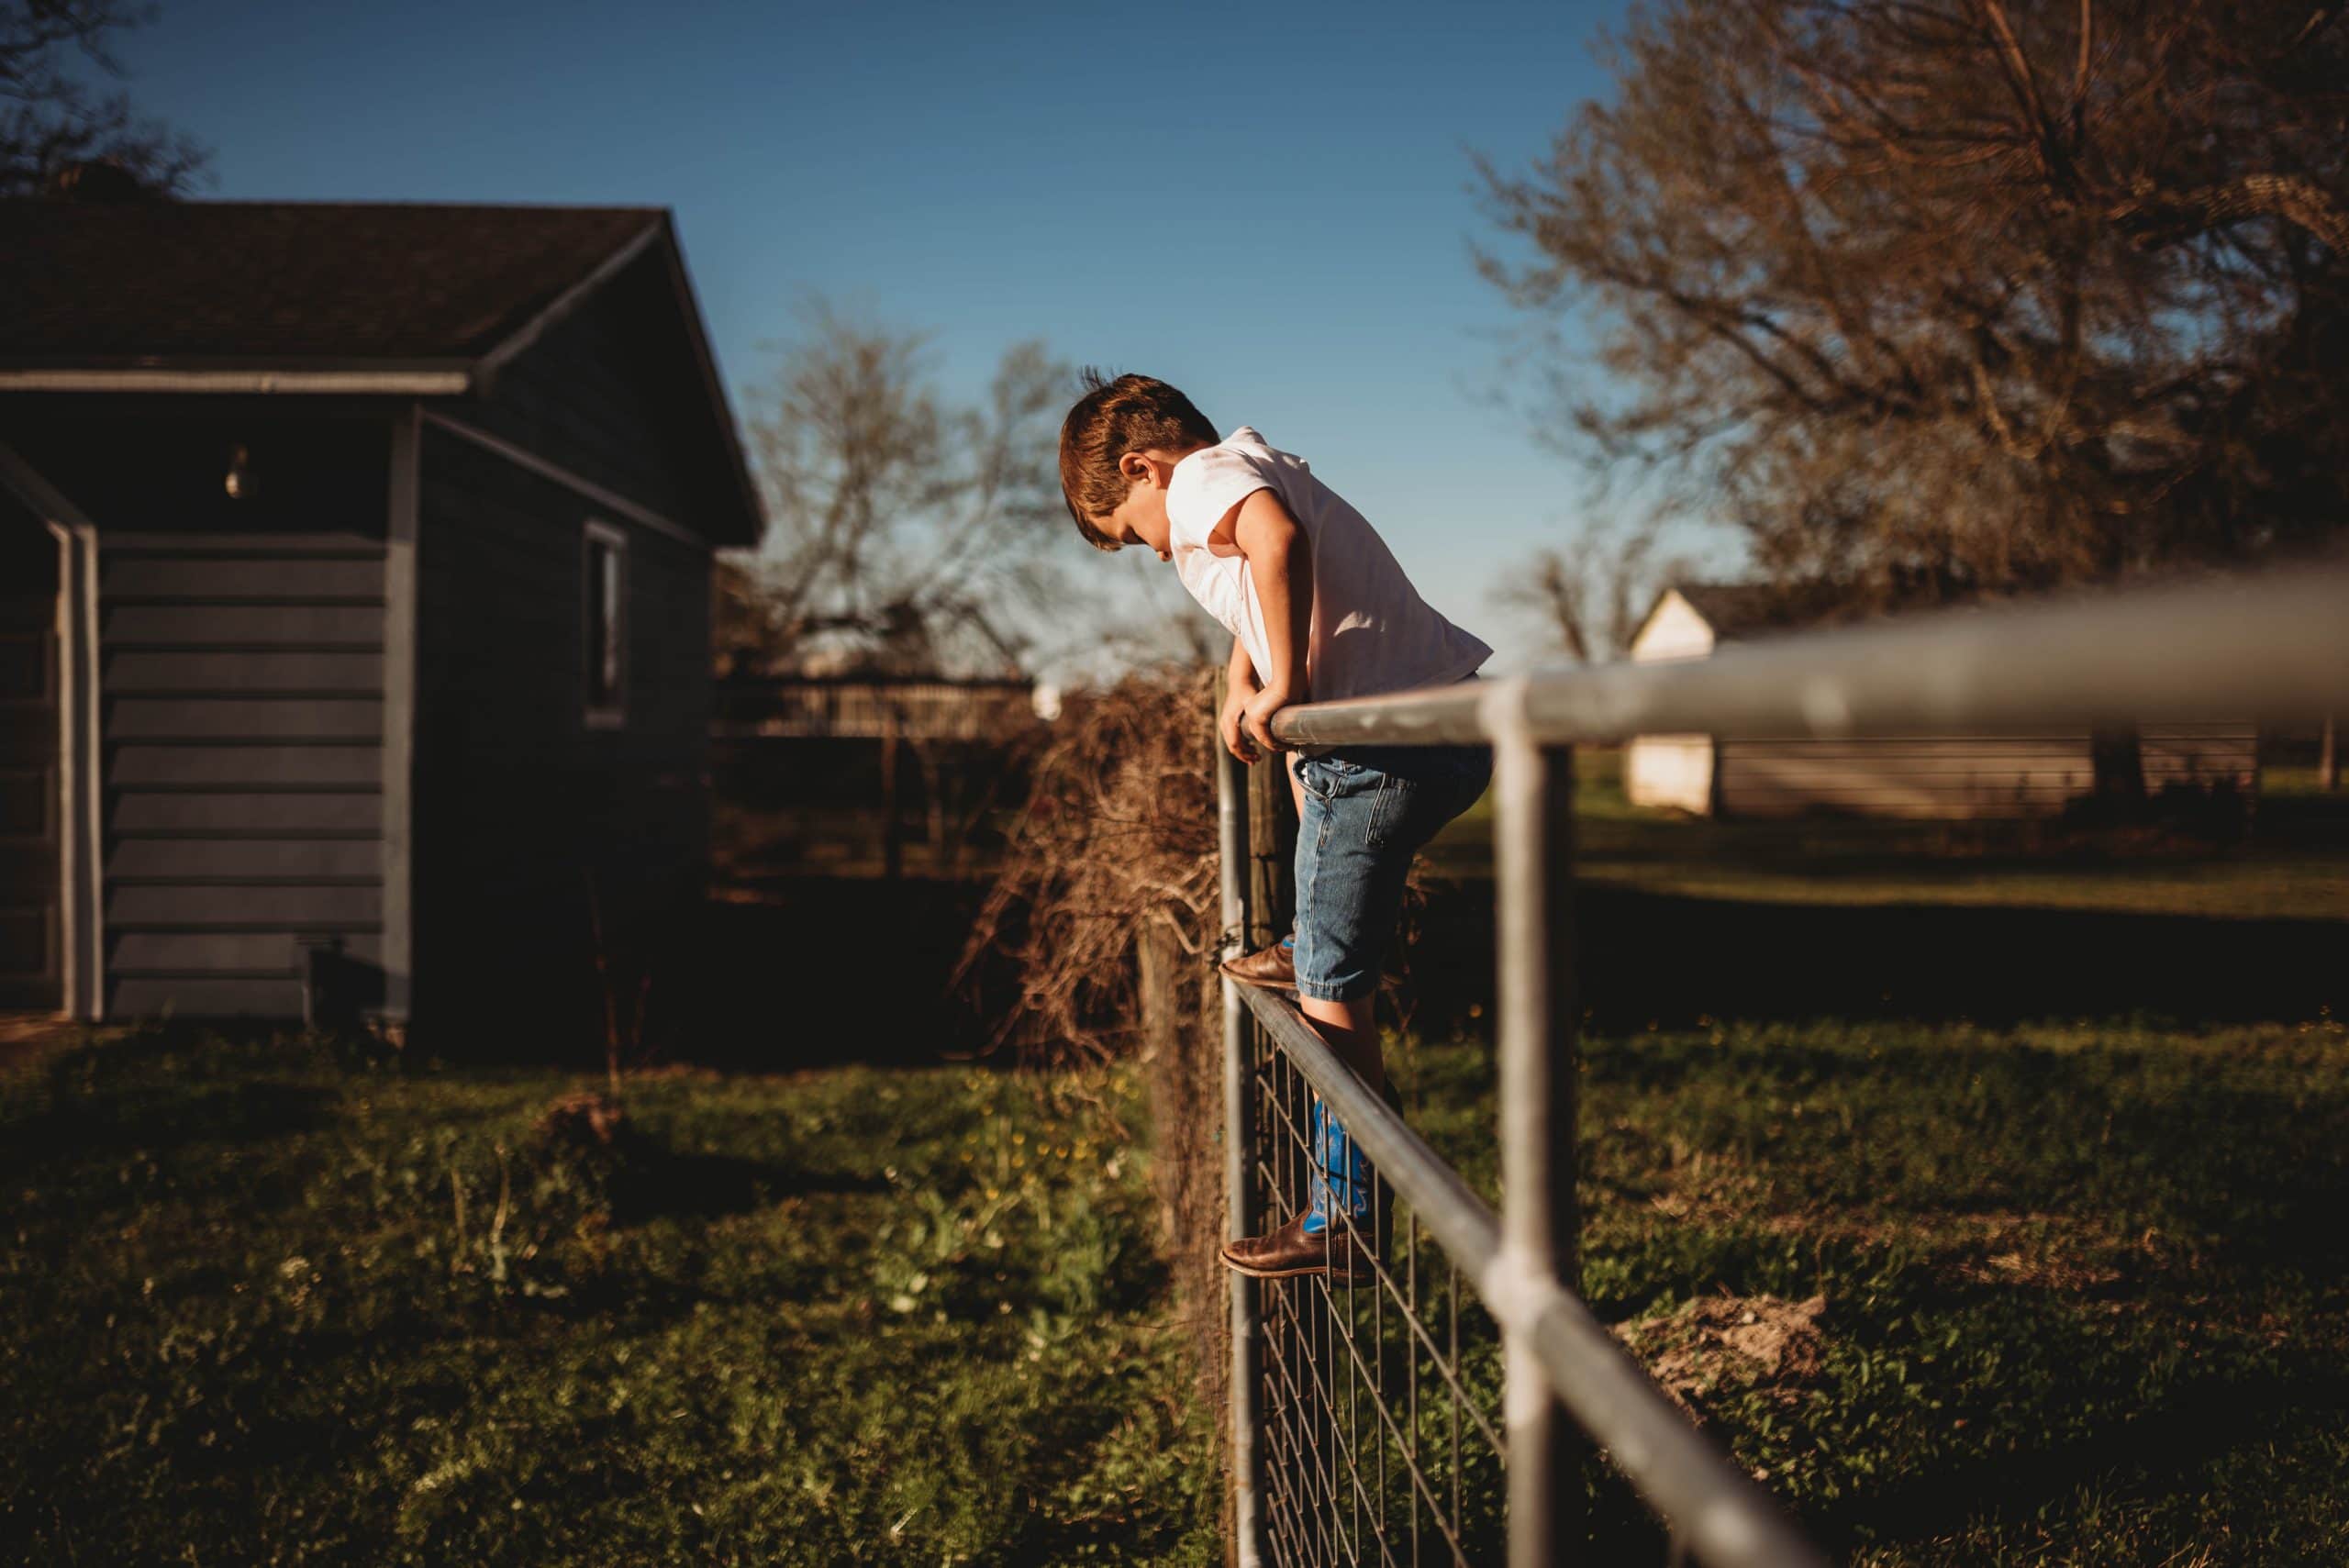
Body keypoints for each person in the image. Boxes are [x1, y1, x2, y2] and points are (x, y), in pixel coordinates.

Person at [1058, 371, 1493, 1280]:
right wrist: (1239, 677)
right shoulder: (1249, 460)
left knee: (1335, 997)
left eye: (1130, 534)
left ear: (1141, 468)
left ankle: (1343, 1217)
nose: (1148, 549)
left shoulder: (1208, 477)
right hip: (1436, 729)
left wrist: (1285, 679)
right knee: (1324, 903)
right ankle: (1314, 943)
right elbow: (1261, 571)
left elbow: (1273, 541)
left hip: (1386, 754)